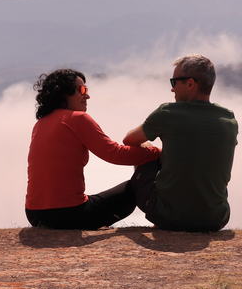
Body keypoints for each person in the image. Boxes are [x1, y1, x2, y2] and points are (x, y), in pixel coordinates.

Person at [25, 68, 160, 230]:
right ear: (64, 93)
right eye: (82, 90)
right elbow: (114, 154)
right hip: (68, 215)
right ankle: (168, 214)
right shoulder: (77, 119)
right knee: (133, 189)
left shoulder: (41, 124)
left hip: (34, 214)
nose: (87, 95)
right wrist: (156, 153)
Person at [123, 55, 238, 232]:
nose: (172, 89)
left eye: (174, 82)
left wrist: (157, 152)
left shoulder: (167, 113)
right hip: (216, 218)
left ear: (190, 83)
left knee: (144, 147)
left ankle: (162, 214)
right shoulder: (228, 119)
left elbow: (129, 140)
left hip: (169, 219)